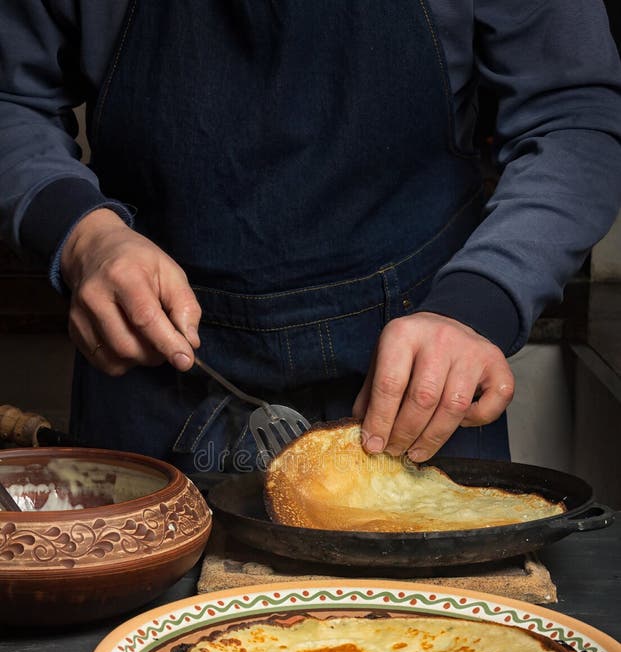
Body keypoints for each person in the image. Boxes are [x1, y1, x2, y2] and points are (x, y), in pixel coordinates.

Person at [1, 1, 620, 477]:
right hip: (148, 362)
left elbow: (573, 117)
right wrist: (84, 236)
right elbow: (10, 100)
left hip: (422, 373)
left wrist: (478, 304)